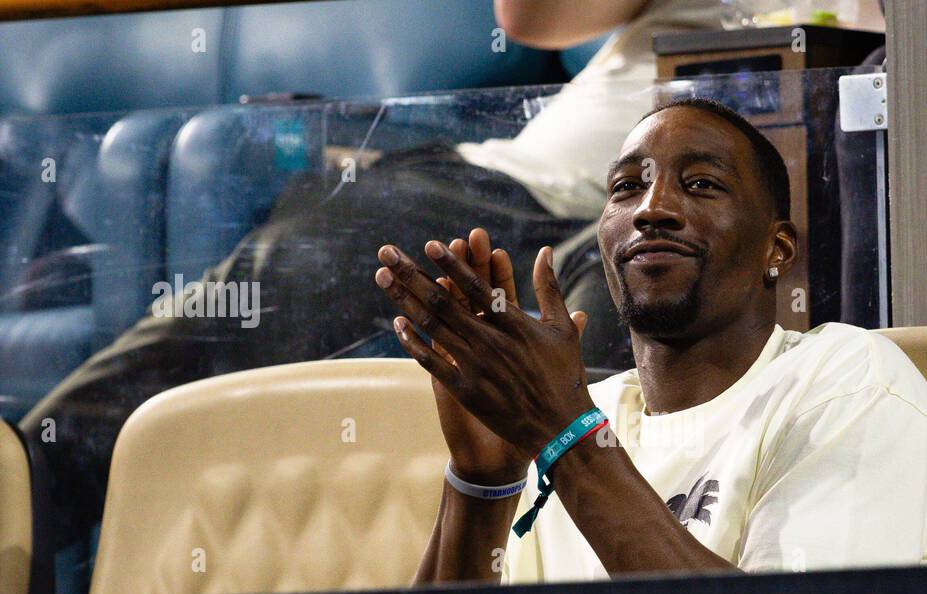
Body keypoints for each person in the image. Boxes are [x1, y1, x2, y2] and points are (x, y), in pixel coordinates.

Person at [19, 0, 720, 561]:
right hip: (506, 183)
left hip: (640, 224)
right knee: (290, 268)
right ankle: (23, 490)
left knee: (602, 307)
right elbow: (527, 19)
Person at [375, 99, 927, 583]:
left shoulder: (850, 380)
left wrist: (565, 433)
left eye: (702, 184)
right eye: (627, 187)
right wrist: (483, 479)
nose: (652, 210)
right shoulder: (580, 416)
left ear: (777, 249)